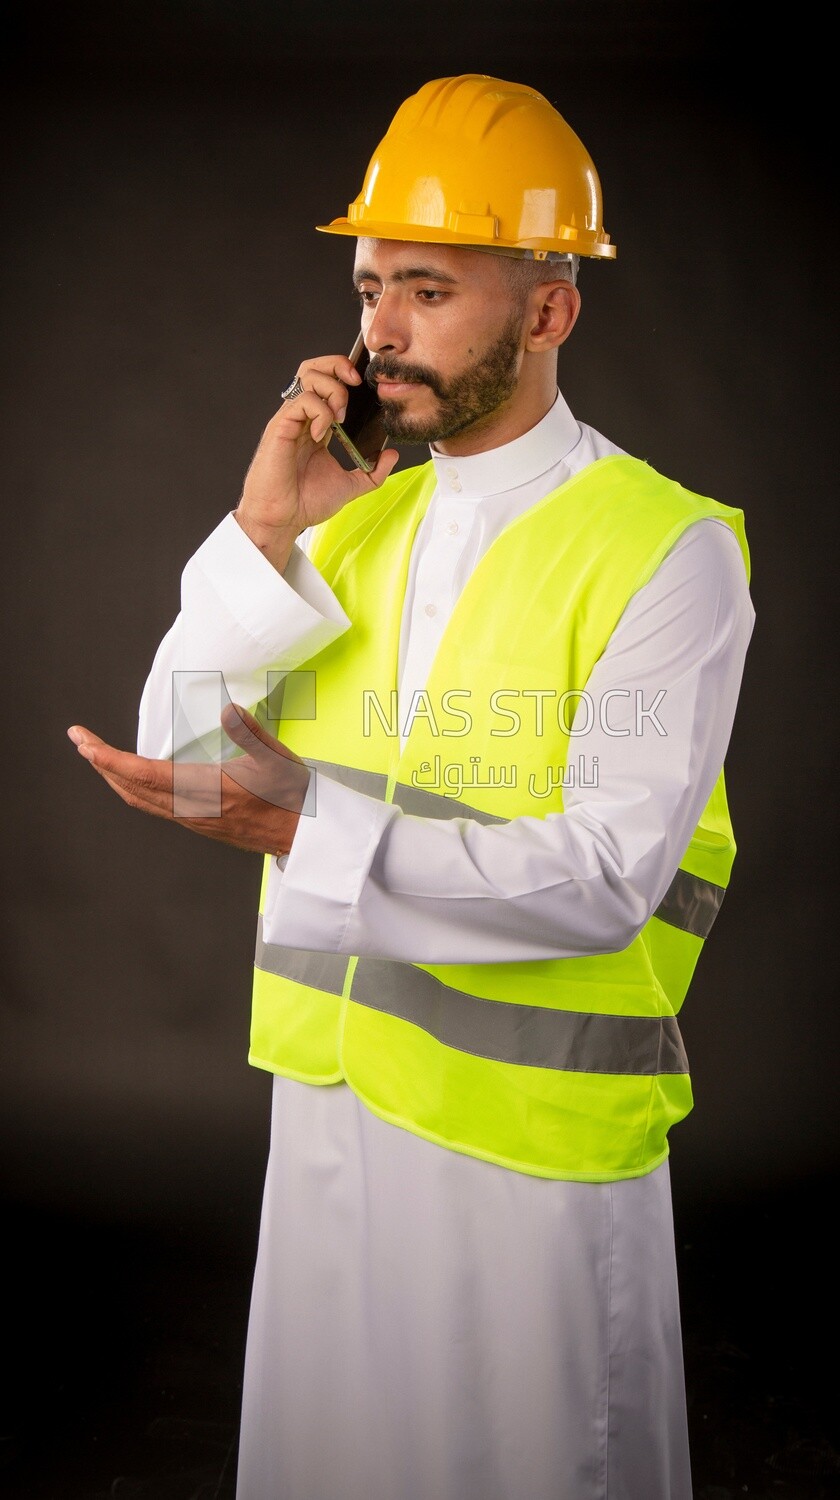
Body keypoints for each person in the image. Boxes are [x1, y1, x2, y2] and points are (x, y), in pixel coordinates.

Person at [68, 73, 755, 1500]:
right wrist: (265, 531)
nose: (378, 328)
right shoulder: (349, 522)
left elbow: (611, 874)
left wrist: (307, 829)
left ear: (550, 309)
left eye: (428, 287)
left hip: (533, 1165)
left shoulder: (665, 550)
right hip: (334, 1129)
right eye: (372, 284)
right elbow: (180, 763)